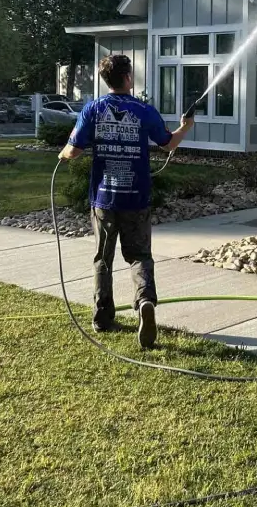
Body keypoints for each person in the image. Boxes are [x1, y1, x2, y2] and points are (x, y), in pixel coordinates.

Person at [58, 53, 194, 347]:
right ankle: (145, 301)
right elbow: (168, 142)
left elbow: (74, 150)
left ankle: (103, 318)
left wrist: (64, 152)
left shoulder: (93, 109)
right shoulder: (143, 110)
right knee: (140, 256)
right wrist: (186, 127)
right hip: (137, 198)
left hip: (104, 200)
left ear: (106, 79)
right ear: (128, 78)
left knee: (102, 258)